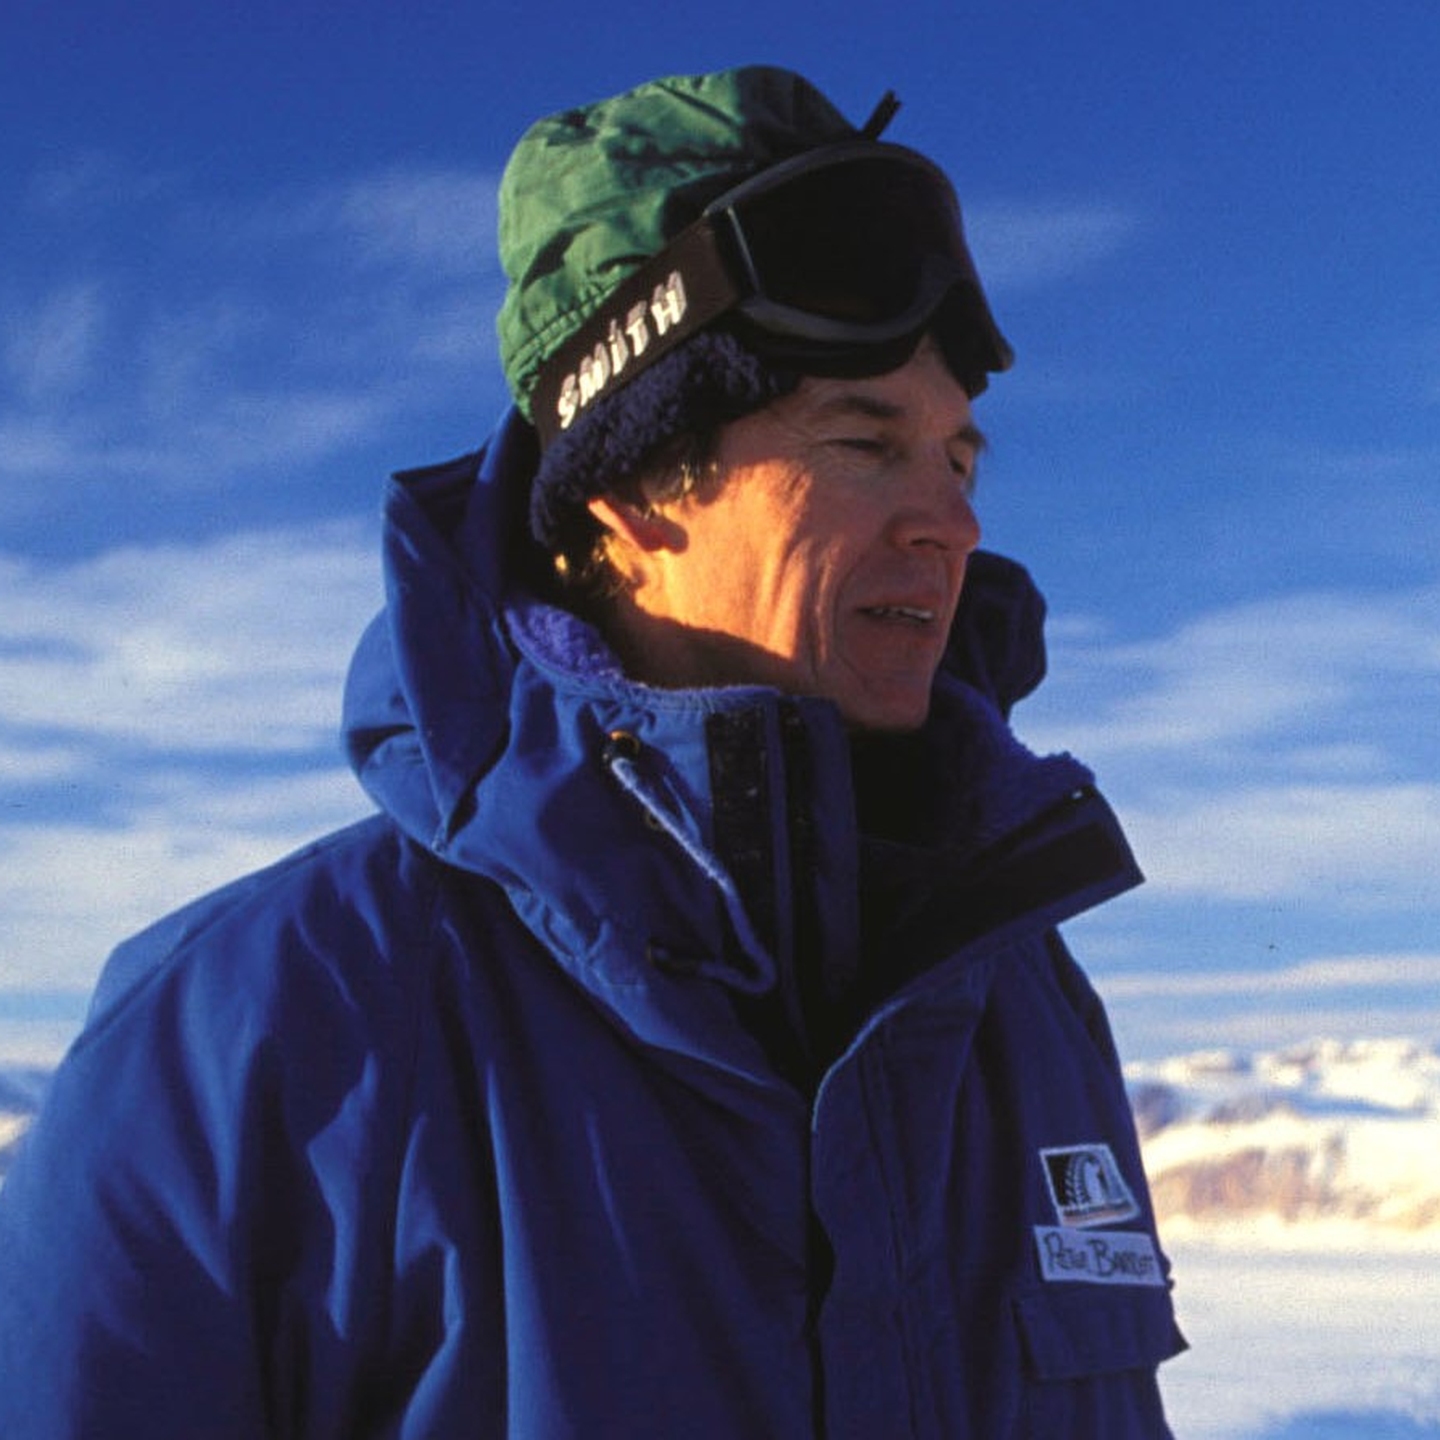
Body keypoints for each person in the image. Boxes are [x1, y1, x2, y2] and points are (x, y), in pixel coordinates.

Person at [0, 65, 1185, 1437]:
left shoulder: (1018, 996)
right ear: (627, 492)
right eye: (865, 442)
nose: (951, 524)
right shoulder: (252, 1037)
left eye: (961, 462)